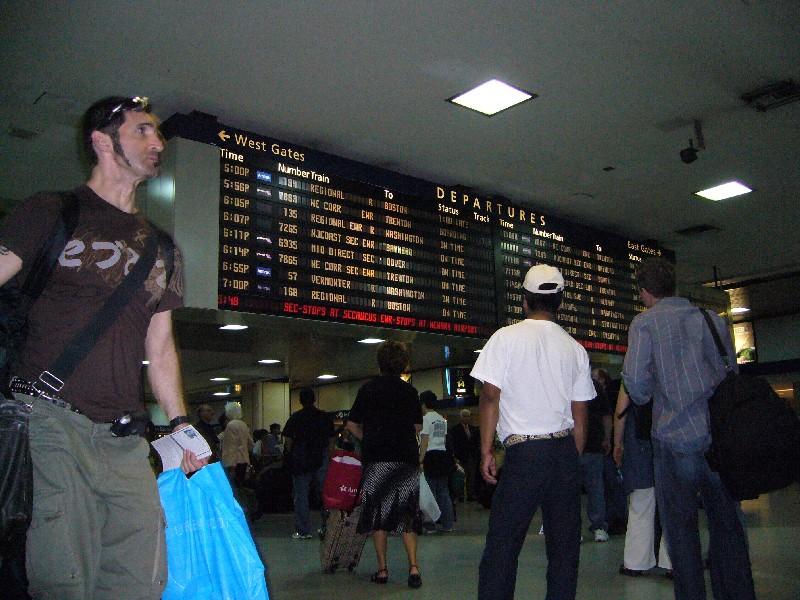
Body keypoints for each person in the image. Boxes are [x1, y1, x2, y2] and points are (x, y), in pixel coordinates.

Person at [0, 95, 206, 600]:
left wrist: (180, 425)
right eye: (142, 130)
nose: (158, 142)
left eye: (158, 132)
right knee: (65, 573)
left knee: (142, 572)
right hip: (48, 416)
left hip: (123, 435)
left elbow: (161, 347)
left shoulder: (163, 248)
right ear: (101, 141)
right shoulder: (51, 212)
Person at [622, 257, 755, 600]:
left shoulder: (644, 324)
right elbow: (732, 373)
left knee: (681, 534)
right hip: (717, 442)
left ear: (645, 291)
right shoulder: (712, 320)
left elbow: (636, 386)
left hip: (673, 440)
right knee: (728, 529)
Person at [470, 264, 594, 600]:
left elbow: (490, 396)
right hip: (564, 452)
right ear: (560, 302)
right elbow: (580, 415)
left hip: (524, 455)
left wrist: (486, 451)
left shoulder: (504, 338)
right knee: (564, 550)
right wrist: (570, 459)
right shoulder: (575, 348)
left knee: (503, 546)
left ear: (524, 301)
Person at [346, 341, 424, 589]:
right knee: (407, 513)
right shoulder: (409, 392)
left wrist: (368, 438)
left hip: (376, 458)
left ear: (379, 363)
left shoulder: (367, 389)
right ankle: (413, 567)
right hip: (405, 458)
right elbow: (417, 426)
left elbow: (351, 424)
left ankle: (382, 569)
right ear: (403, 364)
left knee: (378, 513)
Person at [613, 383, 672, 576]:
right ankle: (673, 561)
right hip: (670, 438)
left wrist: (617, 443)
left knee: (640, 503)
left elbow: (620, 411)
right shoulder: (675, 368)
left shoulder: (631, 373)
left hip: (639, 443)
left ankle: (635, 562)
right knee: (673, 503)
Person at [283, 387, 335, 539]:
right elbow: (331, 439)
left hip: (301, 458)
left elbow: (288, 440)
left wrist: (290, 454)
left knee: (301, 495)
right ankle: (327, 527)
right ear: (314, 399)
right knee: (325, 495)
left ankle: (303, 530)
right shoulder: (324, 417)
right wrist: (329, 455)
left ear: (300, 401)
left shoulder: (295, 417)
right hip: (321, 456)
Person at [580, 375, 613, 541]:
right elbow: (606, 415)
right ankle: (599, 526)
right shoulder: (595, 386)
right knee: (596, 489)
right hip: (594, 445)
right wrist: (607, 438)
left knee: (570, 490)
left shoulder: (565, 382)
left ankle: (573, 528)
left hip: (572, 446)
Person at [419, 390, 455, 533]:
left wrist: (420, 459)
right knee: (444, 492)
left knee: (430, 493)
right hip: (442, 455)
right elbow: (444, 439)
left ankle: (431, 525)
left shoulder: (426, 419)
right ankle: (448, 524)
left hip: (430, 457)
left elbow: (425, 440)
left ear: (423, 403)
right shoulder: (441, 419)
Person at [220, 401, 253, 488]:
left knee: (233, 487)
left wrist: (230, 466)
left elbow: (230, 447)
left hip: (233, 462)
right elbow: (250, 443)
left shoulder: (230, 425)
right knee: (241, 485)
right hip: (244, 459)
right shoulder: (243, 424)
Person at [449, 408, 480, 500]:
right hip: (460, 456)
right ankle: (460, 495)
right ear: (461, 417)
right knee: (461, 476)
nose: (467, 418)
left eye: (468, 416)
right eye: (465, 416)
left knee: (471, 476)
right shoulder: (455, 429)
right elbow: (453, 443)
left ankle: (471, 494)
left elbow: (476, 442)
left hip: (471, 456)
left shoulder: (474, 429)